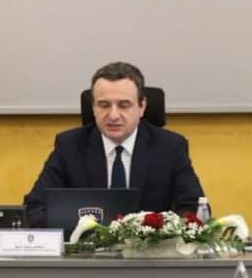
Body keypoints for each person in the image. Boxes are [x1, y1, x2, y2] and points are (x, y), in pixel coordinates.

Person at [24, 61, 205, 227]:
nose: (113, 116)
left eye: (124, 105)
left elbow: (193, 208)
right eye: (104, 105)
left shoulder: (170, 147)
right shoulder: (69, 146)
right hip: (87, 249)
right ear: (93, 107)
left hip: (149, 250)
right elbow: (34, 207)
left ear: (142, 107)